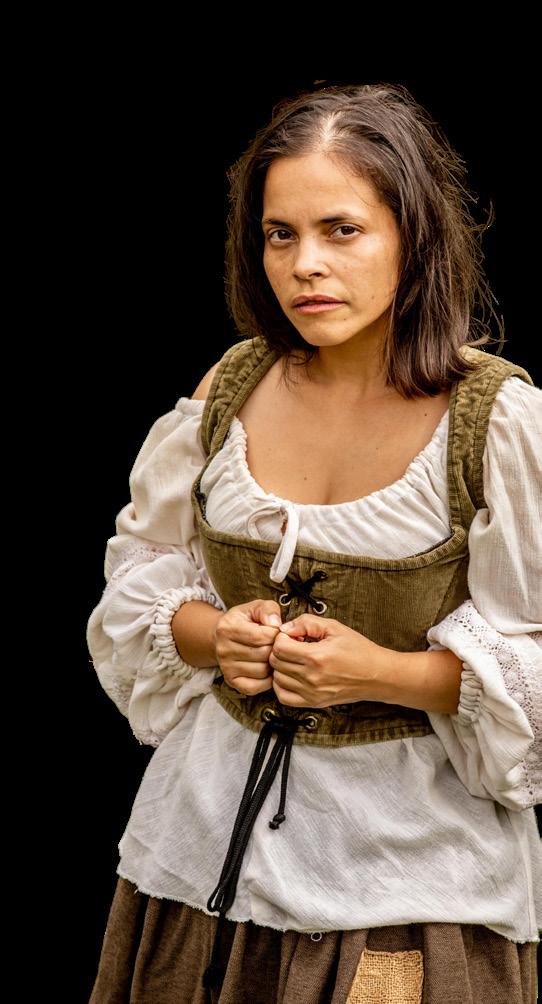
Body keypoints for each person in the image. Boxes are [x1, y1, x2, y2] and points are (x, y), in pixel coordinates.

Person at [87, 82, 541, 1003]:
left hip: (407, 885)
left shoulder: (498, 423)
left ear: (413, 235)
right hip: (197, 866)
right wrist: (216, 636)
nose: (305, 266)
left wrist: (382, 672)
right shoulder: (230, 390)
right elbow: (139, 577)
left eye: (342, 230)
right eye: (280, 234)